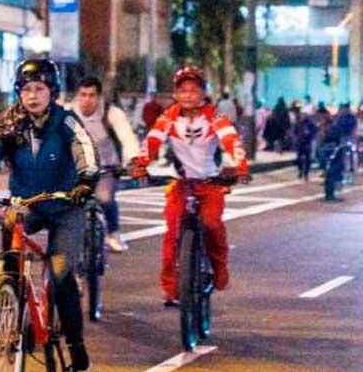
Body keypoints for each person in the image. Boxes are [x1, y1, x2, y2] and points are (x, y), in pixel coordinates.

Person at [0, 59, 99, 372]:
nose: (32, 96)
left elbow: (85, 150)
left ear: (52, 92)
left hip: (66, 205)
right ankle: (13, 303)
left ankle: (75, 345)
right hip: (29, 204)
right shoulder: (9, 123)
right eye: (26, 89)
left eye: (39, 89)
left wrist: (85, 181)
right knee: (10, 225)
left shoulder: (65, 122)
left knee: (58, 271)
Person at [132, 66, 250, 306]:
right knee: (172, 234)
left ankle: (218, 271)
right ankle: (172, 289)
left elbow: (231, 140)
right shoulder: (168, 117)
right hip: (180, 185)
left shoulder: (215, 117)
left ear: (203, 93)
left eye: (193, 90)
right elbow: (152, 142)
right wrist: (141, 164)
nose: (188, 95)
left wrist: (241, 166)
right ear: (175, 94)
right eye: (183, 90)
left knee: (212, 225)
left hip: (210, 184)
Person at [70, 76, 140, 253]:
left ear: (99, 97)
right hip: (75, 168)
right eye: (83, 95)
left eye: (92, 95)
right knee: (65, 203)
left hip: (106, 167)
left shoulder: (112, 113)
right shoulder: (67, 114)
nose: (87, 100)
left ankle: (113, 233)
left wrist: (133, 160)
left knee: (105, 198)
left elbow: (128, 139)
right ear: (77, 96)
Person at [294, 106, 317, 181]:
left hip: (307, 143)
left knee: (307, 159)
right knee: (299, 158)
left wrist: (309, 134)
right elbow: (295, 132)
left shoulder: (310, 124)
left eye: (304, 114)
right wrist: (295, 137)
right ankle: (300, 171)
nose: (303, 116)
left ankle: (306, 173)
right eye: (302, 114)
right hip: (300, 143)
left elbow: (314, 131)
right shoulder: (298, 123)